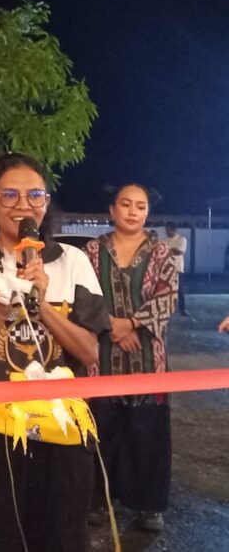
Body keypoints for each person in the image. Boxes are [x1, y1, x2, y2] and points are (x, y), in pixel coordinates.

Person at [0, 153, 109, 552]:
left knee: (63, 541)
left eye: (35, 195)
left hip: (62, 436)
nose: (24, 205)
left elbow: (90, 352)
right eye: (9, 194)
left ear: (46, 203)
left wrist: (45, 306)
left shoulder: (74, 262)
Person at [85, 184, 178, 532]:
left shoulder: (162, 253)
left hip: (148, 360)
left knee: (148, 435)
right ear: (112, 210)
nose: (133, 211)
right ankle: (97, 499)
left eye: (140, 206)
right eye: (126, 204)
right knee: (100, 430)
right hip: (101, 358)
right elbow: (85, 296)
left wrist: (133, 324)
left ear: (147, 213)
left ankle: (149, 506)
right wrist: (112, 328)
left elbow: (167, 296)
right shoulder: (93, 251)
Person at [165, 221, 189, 316]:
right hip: (167, 268)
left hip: (177, 268)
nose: (166, 232)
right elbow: (165, 252)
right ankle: (167, 309)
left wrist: (169, 250)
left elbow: (180, 252)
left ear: (173, 230)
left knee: (179, 290)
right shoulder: (166, 240)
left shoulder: (181, 239)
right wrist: (172, 250)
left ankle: (182, 309)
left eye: (168, 230)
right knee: (166, 290)